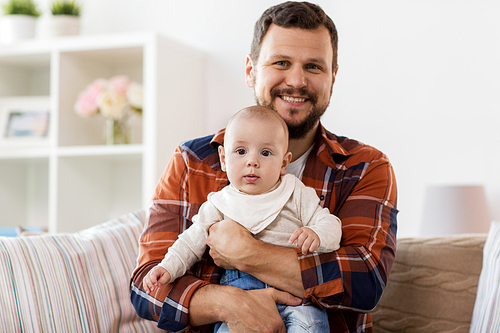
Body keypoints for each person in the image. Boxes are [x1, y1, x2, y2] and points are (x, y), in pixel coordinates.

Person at [131, 2, 398, 332]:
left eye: (314, 66)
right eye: (281, 62)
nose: (297, 80)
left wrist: (247, 252)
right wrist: (232, 304)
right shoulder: (192, 161)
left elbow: (365, 283)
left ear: (333, 77)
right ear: (251, 70)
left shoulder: (365, 167)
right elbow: (147, 289)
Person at [142, 106, 342, 332]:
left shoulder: (296, 193)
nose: (252, 161)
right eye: (241, 151)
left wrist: (317, 234)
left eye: (265, 153)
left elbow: (331, 225)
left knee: (309, 327)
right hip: (240, 297)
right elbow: (191, 241)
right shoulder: (219, 203)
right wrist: (168, 267)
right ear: (224, 159)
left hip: (297, 301)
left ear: (284, 163)